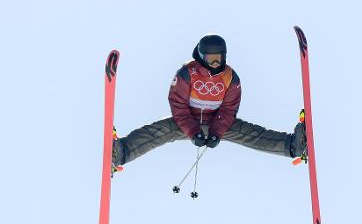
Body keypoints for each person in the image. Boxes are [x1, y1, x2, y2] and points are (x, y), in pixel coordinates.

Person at [112, 34, 306, 166]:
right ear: (202, 56)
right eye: (211, 58)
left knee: (251, 134)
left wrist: (216, 132)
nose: (215, 63)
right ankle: (122, 151)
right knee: (159, 131)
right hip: (187, 121)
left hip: (218, 122)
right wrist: (193, 131)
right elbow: (178, 106)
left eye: (219, 58)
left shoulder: (230, 78)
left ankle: (292, 145)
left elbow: (229, 110)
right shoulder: (187, 73)